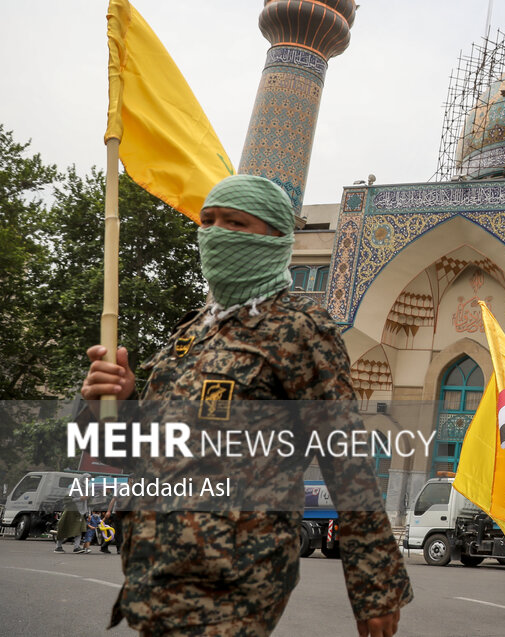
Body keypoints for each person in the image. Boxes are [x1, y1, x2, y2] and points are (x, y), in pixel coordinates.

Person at [80, 174, 411, 636]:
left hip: (237, 572)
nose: (215, 233)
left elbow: (346, 460)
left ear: (277, 238)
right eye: (208, 221)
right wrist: (112, 403)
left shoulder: (300, 329)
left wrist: (375, 586)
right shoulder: (190, 333)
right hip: (156, 563)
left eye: (235, 223)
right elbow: (136, 453)